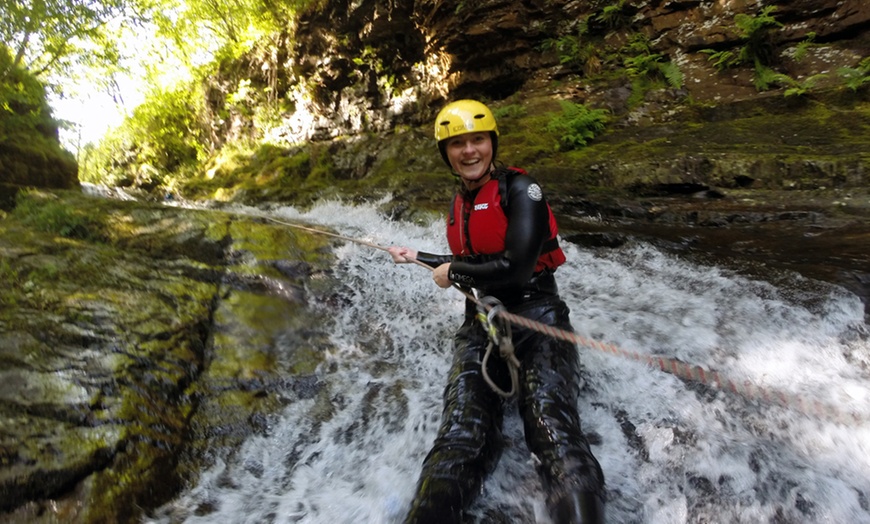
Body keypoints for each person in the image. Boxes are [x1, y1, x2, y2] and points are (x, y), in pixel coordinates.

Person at [388, 99, 606, 523]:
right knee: (461, 436)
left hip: (537, 317)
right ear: (445, 153)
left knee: (550, 428)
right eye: (457, 144)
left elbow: (517, 265)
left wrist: (452, 270)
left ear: (492, 143)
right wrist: (418, 255)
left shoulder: (523, 190)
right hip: (482, 323)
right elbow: (473, 261)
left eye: (478, 140)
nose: (469, 151)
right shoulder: (460, 202)